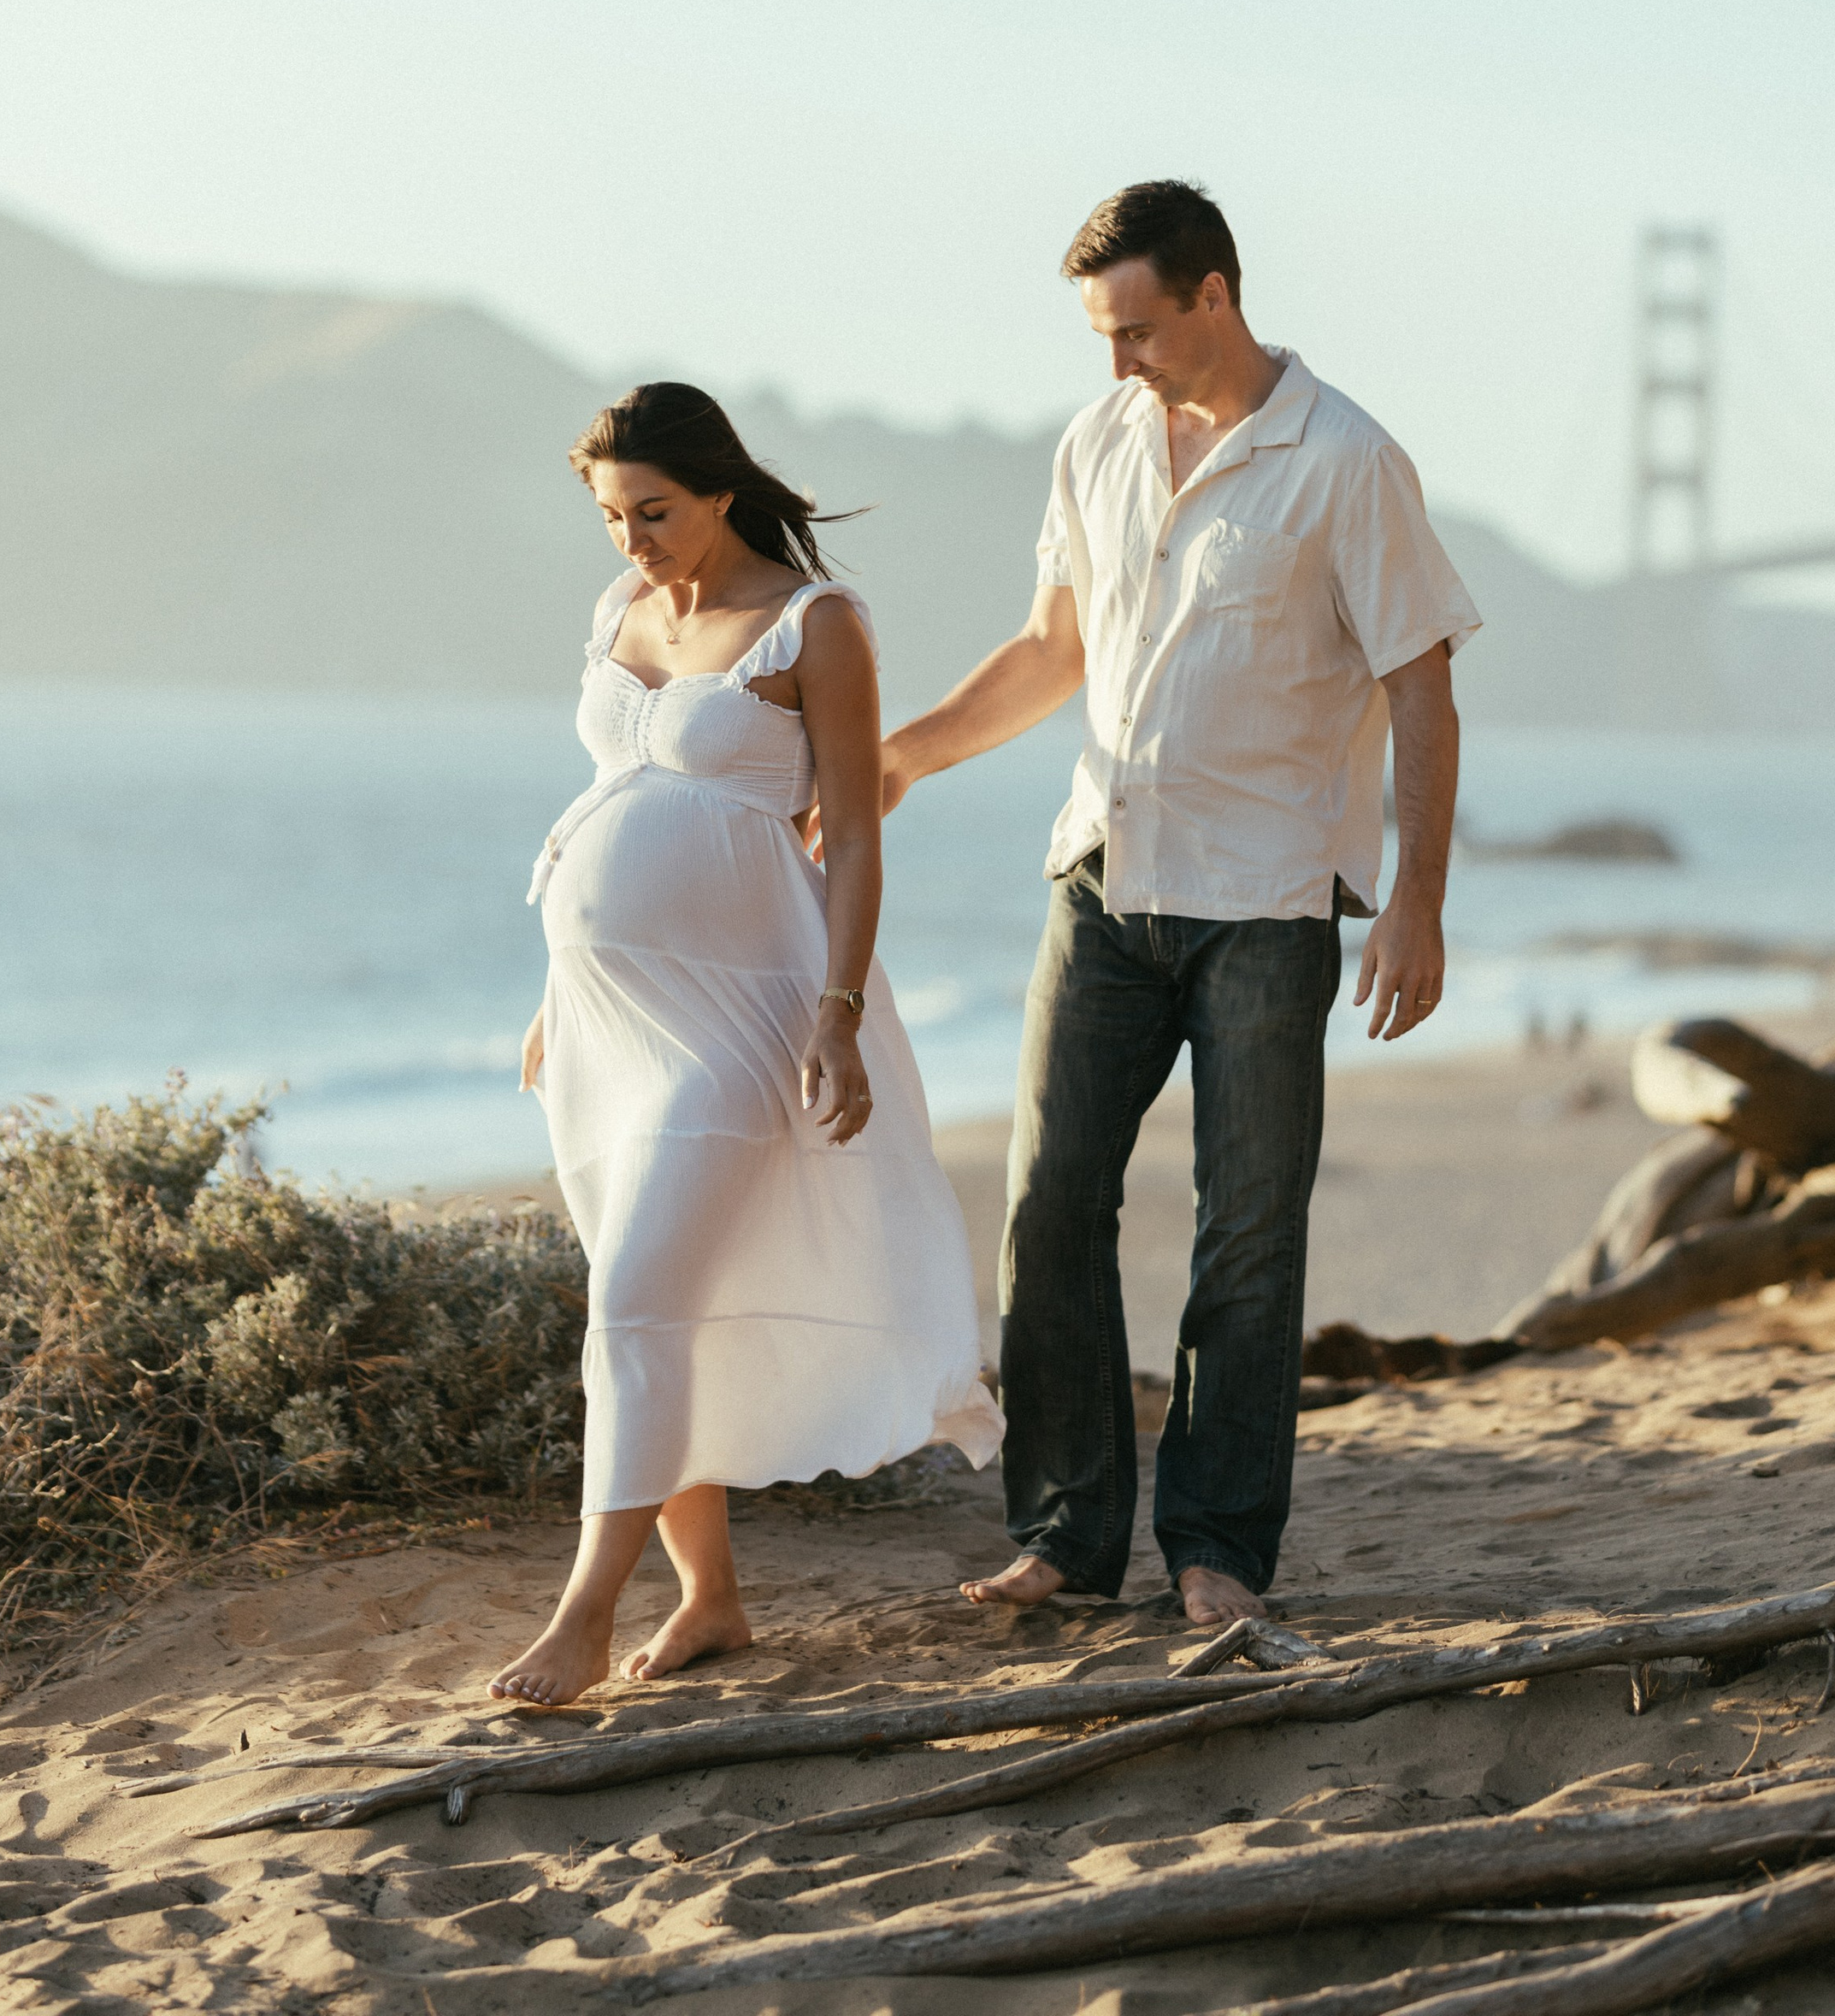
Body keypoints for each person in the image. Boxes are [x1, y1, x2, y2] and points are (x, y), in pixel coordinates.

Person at [876, 180, 1477, 1630]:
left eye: (1136, 329)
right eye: (1100, 333)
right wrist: (903, 755)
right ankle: (1070, 1536)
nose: (1116, 361)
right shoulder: (1096, 442)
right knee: (1047, 1202)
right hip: (1105, 880)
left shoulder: (1347, 460)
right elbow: (1050, 648)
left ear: (1216, 294)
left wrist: (1414, 905)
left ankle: (1217, 1549)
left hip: (1269, 905)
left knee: (1249, 1233)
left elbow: (1421, 688)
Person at [488, 382, 1001, 1707]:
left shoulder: (815, 625)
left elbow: (858, 830)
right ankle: (712, 1601)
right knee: (664, 1310)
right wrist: (564, 981)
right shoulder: (620, 613)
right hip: (607, 1027)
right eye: (610, 517)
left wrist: (836, 1018)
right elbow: (620, 793)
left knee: (636, 1305)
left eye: (652, 512)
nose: (632, 542)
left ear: (721, 487)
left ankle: (587, 1613)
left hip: (745, 1022)